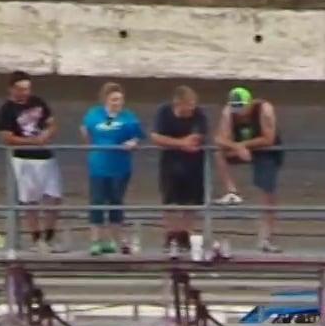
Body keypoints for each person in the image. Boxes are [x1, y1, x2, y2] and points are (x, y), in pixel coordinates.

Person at [0, 71, 64, 252]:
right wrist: (32, 142)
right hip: (23, 158)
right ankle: (36, 238)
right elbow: (6, 137)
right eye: (21, 89)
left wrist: (46, 136)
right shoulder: (6, 110)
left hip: (46, 156)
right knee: (30, 200)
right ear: (12, 89)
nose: (25, 92)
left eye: (27, 89)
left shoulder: (38, 102)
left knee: (54, 197)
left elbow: (52, 122)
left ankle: (50, 236)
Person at [214, 86, 284, 253]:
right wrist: (237, 147)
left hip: (266, 150)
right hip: (242, 148)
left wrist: (243, 145)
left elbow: (269, 138)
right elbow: (219, 138)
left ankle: (266, 237)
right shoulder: (228, 112)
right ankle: (232, 192)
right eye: (236, 108)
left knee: (268, 194)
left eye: (242, 108)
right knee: (219, 154)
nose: (239, 113)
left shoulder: (264, 109)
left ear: (250, 103)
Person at [80, 82, 145, 256]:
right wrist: (91, 147)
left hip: (120, 167)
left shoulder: (128, 117)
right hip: (98, 166)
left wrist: (132, 143)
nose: (117, 103)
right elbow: (85, 130)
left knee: (116, 202)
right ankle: (95, 240)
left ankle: (113, 240)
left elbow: (137, 136)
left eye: (120, 100)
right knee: (97, 202)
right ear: (106, 100)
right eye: (114, 99)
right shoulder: (94, 114)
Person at [150, 86, 210, 257]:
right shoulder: (164, 112)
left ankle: (186, 234)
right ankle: (170, 234)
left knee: (191, 201)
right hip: (170, 162)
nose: (192, 108)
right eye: (188, 104)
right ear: (178, 103)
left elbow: (198, 136)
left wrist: (186, 142)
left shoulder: (199, 114)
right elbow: (156, 137)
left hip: (193, 163)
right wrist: (180, 144)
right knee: (169, 200)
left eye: (193, 104)